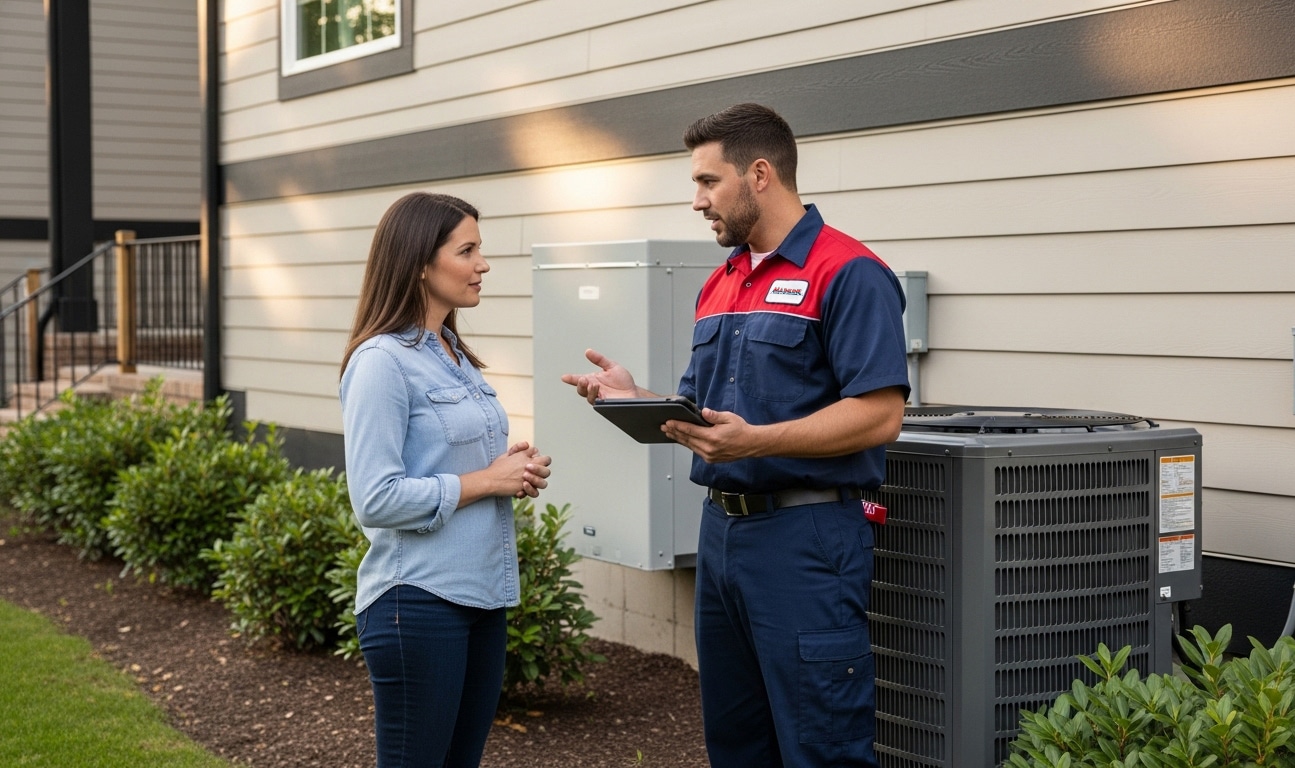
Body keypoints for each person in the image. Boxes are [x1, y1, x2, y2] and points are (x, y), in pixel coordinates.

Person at [562, 103, 909, 767]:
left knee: (820, 744)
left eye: (706, 182)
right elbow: (717, 411)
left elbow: (878, 413)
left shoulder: (847, 272)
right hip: (721, 537)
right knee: (737, 742)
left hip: (805, 542)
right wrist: (637, 399)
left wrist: (755, 442)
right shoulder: (721, 282)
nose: (696, 202)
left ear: (758, 175)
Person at [339, 191, 552, 768]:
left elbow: (451, 463)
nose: (483, 264)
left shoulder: (451, 350)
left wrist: (512, 469)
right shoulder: (382, 362)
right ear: (420, 263)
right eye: (468, 250)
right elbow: (376, 499)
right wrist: (487, 480)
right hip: (418, 601)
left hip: (482, 598)